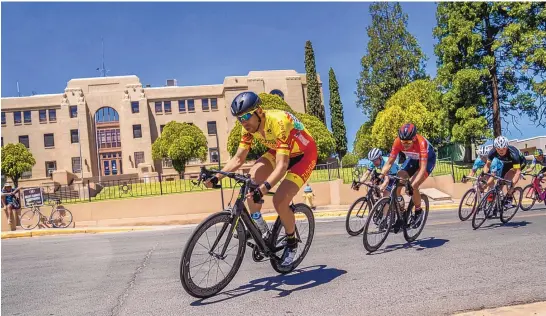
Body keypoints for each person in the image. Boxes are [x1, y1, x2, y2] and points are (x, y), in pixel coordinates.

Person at [204, 91, 318, 267]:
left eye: (247, 116)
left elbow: (281, 166)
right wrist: (216, 176)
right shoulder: (247, 127)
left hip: (303, 155)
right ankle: (260, 227)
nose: (244, 122)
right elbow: (238, 159)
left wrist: (263, 189)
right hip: (279, 150)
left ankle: (291, 242)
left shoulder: (279, 122)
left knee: (280, 200)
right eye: (239, 118)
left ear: (259, 111)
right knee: (252, 179)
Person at [380, 123, 437, 231]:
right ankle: (401, 216)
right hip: (412, 158)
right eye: (403, 142)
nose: (405, 145)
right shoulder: (397, 141)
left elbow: (422, 168)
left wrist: (412, 185)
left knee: (412, 185)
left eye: (408, 142)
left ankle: (418, 211)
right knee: (398, 180)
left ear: (414, 138)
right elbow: (389, 162)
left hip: (427, 161)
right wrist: (381, 174)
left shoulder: (421, 143)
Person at [483, 136, 524, 207]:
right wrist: (484, 175)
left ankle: (509, 197)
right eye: (499, 149)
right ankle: (498, 198)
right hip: (506, 163)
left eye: (504, 148)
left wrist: (512, 185)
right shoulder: (492, 152)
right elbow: (487, 165)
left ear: (507, 147)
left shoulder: (513, 154)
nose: (501, 151)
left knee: (508, 179)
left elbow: (517, 171)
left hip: (518, 163)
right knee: (500, 181)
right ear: (495, 148)